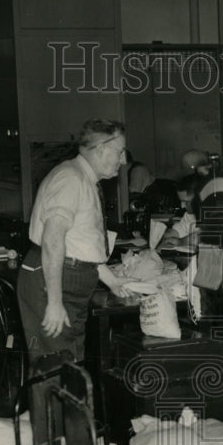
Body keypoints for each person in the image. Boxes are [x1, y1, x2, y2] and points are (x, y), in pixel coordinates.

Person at [17, 118, 133, 364]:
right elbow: (53, 240)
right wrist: (55, 302)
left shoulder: (82, 178)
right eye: (120, 152)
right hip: (53, 284)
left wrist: (112, 281)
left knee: (67, 365)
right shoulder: (71, 179)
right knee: (56, 366)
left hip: (66, 282)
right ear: (101, 149)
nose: (123, 161)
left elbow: (80, 241)